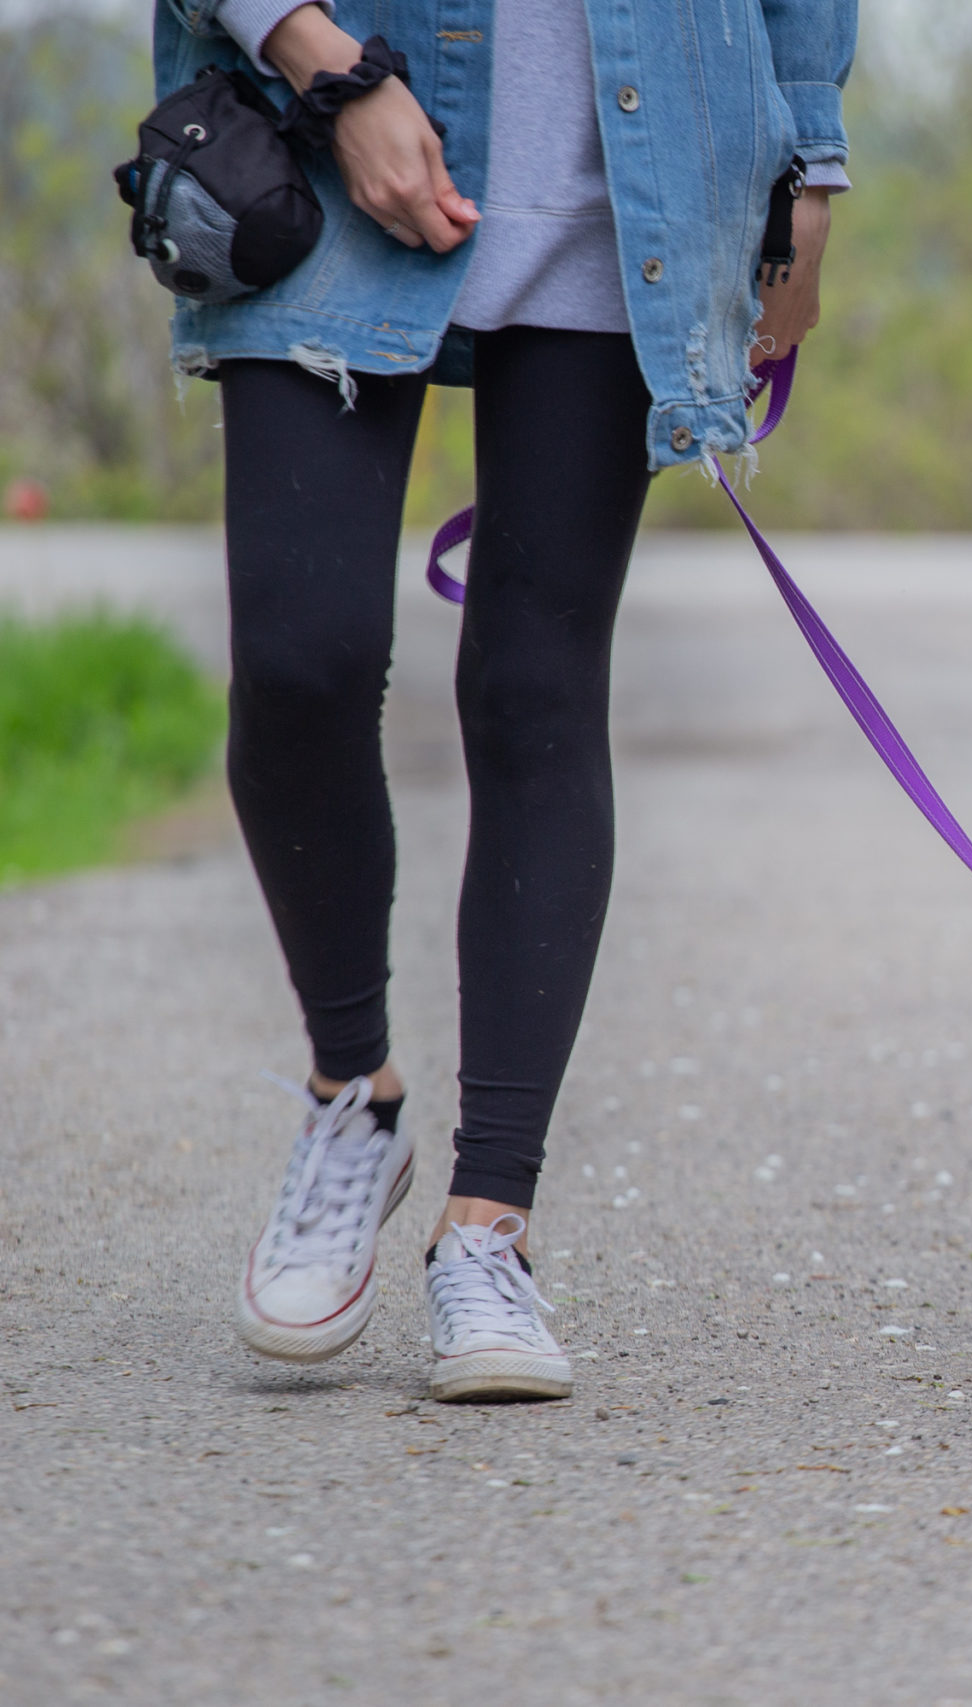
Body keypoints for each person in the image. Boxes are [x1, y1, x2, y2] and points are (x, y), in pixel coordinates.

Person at [162, 0, 857, 1401]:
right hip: (317, 133)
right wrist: (327, 63)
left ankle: (490, 1223)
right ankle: (354, 1094)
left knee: (538, 687)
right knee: (300, 663)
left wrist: (812, 154)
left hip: (640, 149)